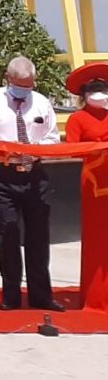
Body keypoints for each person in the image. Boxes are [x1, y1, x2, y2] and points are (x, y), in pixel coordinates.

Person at [0, 55, 63, 310]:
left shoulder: (42, 103)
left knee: (38, 236)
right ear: (8, 79)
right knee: (8, 233)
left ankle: (41, 296)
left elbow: (52, 138)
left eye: (29, 85)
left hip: (35, 174)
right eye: (20, 84)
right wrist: (1, 148)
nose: (25, 90)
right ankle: (11, 295)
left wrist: (34, 149)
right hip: (3, 174)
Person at [65, 63, 108, 312]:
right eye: (94, 91)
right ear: (84, 96)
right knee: (97, 237)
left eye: (103, 89)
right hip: (94, 182)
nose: (100, 95)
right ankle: (96, 295)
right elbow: (72, 149)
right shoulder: (77, 119)